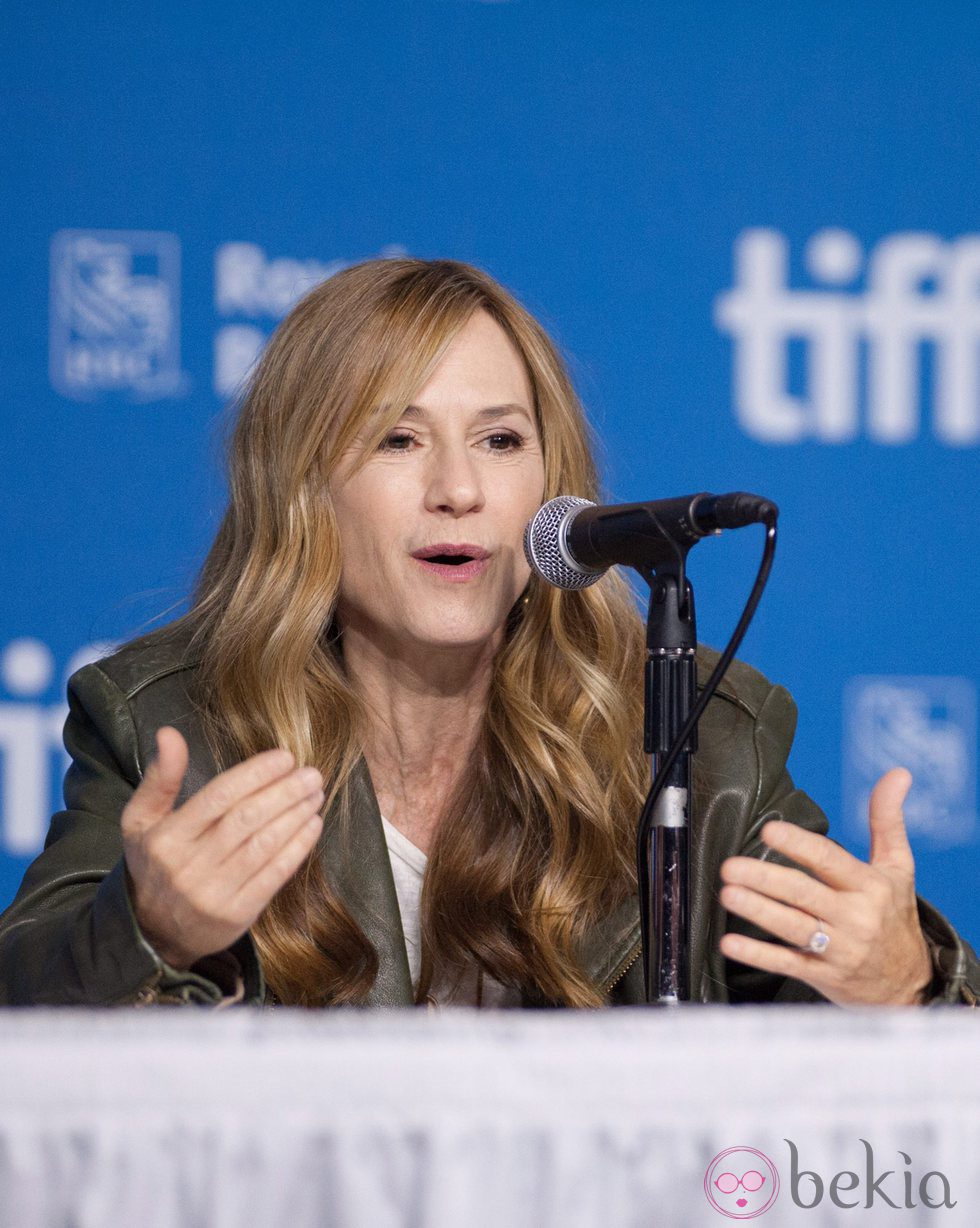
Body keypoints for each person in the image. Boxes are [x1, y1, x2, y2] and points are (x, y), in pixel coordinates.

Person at [0, 258, 977, 1008]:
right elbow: (21, 1006)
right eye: (397, 437)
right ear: (302, 487)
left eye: (499, 440)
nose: (458, 490)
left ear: (549, 484)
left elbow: (838, 1084)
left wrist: (907, 982)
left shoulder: (698, 735)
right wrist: (147, 930)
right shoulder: (169, 721)